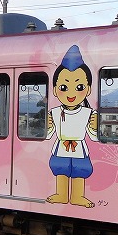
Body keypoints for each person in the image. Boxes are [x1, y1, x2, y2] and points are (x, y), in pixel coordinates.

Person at [46, 45, 98, 208]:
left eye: (79, 87)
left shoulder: (89, 113)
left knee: (79, 170)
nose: (71, 93)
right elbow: (48, 135)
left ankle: (77, 196)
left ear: (88, 89)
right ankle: (61, 194)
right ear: (55, 90)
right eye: (63, 87)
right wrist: (47, 126)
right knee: (60, 167)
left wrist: (94, 127)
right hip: (61, 146)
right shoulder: (54, 113)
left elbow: (93, 136)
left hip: (79, 147)